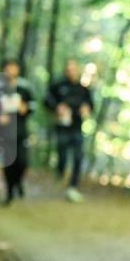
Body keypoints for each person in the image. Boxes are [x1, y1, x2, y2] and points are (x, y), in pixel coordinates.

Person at [44, 59, 93, 202]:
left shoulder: (83, 89)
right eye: (69, 69)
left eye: (74, 69)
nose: (71, 71)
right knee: (63, 154)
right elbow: (47, 100)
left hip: (77, 127)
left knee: (78, 156)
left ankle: (73, 186)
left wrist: (86, 108)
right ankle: (60, 174)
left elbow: (90, 105)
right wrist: (56, 108)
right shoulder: (57, 85)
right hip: (62, 127)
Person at [0, 59, 35, 205]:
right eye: (8, 68)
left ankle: (17, 182)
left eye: (13, 68)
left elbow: (33, 107)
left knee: (22, 162)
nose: (11, 71)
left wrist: (25, 109)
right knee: (8, 163)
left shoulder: (24, 88)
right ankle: (9, 192)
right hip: (3, 133)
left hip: (21, 132)